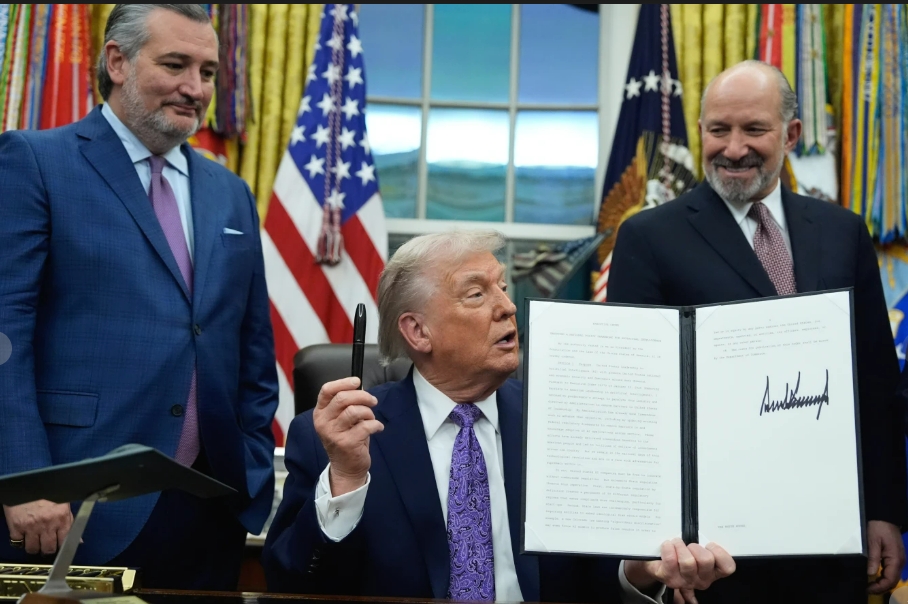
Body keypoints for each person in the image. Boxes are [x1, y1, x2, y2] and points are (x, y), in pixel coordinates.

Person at [263, 230, 735, 603]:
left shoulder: (565, 420)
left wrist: (641, 571)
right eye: (476, 294)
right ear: (418, 331)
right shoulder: (340, 440)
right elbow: (291, 585)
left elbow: (592, 574)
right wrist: (347, 478)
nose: (508, 307)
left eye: (503, 289)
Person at [0, 4, 278, 590]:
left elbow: (252, 349)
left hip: (209, 511)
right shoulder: (35, 162)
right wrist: (24, 480)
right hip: (70, 507)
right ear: (117, 61)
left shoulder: (231, 193)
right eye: (175, 65)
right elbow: (5, 333)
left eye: (207, 72)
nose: (195, 88)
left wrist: (250, 469)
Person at [608, 59, 907, 603]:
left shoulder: (842, 232)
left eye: (754, 129)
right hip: (709, 555)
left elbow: (875, 384)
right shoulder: (648, 237)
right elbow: (633, 401)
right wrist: (655, 544)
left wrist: (884, 511)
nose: (734, 148)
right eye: (718, 129)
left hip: (830, 538)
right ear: (700, 131)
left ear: (791, 134)